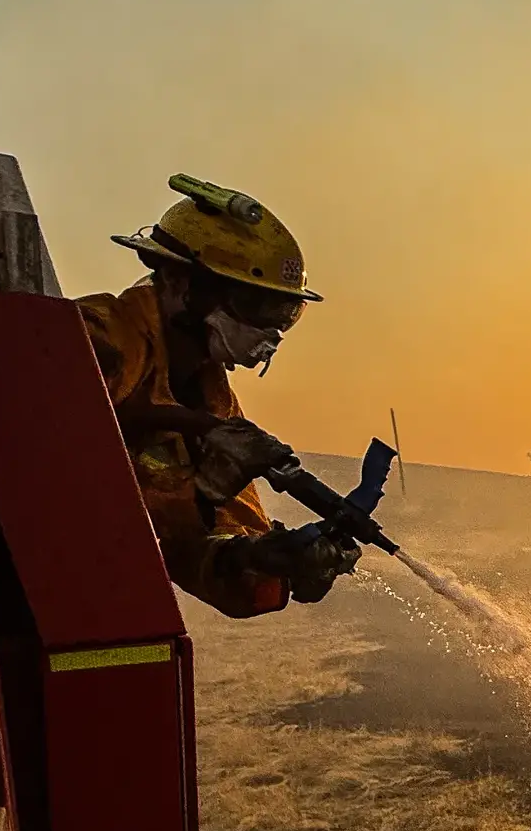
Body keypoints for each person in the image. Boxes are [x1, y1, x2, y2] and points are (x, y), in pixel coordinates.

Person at [77, 175, 360, 617]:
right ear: (176, 281)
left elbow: (196, 549)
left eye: (285, 314)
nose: (271, 330)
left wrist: (262, 560)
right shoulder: (95, 337)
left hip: (90, 605)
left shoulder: (216, 402)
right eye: (255, 305)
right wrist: (198, 439)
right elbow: (61, 448)